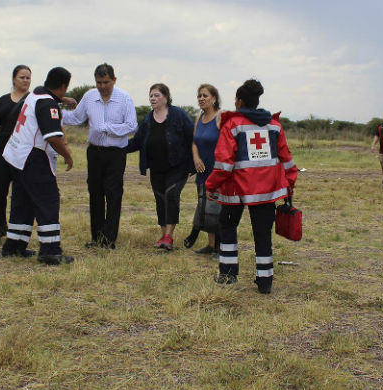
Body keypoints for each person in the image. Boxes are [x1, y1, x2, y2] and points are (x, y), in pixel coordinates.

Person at [205, 79, 297, 294]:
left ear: (238, 102)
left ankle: (228, 276)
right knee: (263, 234)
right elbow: (287, 161)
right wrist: (289, 185)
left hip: (235, 191)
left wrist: (211, 185)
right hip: (267, 191)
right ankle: (265, 282)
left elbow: (224, 164)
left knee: (227, 229)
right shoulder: (275, 126)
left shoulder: (233, 125)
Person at [0, 67, 74, 265]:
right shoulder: (47, 104)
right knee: (48, 200)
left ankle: (14, 245)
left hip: (16, 156)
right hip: (32, 158)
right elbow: (53, 138)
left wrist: (61, 100)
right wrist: (67, 156)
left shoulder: (35, 94)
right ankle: (50, 250)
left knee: (22, 202)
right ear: (63, 86)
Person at [62, 63, 137, 249]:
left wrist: (107, 128)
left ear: (114, 80)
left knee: (113, 194)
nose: (102, 86)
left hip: (116, 153)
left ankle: (109, 239)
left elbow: (131, 125)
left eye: (106, 82)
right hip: (94, 152)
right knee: (95, 194)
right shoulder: (89, 96)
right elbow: (76, 118)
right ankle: (96, 238)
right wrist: (53, 113)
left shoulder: (124, 98)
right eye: (98, 82)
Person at [124, 83, 194, 250]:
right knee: (160, 199)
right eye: (151, 96)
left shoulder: (178, 114)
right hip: (156, 167)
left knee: (171, 195)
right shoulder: (148, 119)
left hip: (178, 165)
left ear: (166, 97)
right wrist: (117, 148)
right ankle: (163, 235)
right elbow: (137, 141)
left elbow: (192, 137)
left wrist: (194, 162)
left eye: (156, 95)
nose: (153, 99)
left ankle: (169, 236)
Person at [0, 65, 32, 243]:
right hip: (2, 150)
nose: (25, 81)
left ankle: (17, 232)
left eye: (28, 78)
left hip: (22, 151)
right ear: (13, 79)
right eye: (22, 77)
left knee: (21, 193)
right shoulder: (3, 100)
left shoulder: (33, 100)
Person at [184, 84, 222, 253]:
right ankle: (211, 245)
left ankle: (219, 248)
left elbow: (227, 143)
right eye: (199, 96)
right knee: (204, 207)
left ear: (214, 98)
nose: (201, 99)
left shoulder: (221, 117)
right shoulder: (199, 117)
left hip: (217, 170)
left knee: (216, 209)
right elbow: (194, 141)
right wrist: (196, 157)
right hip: (202, 169)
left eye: (205, 95)